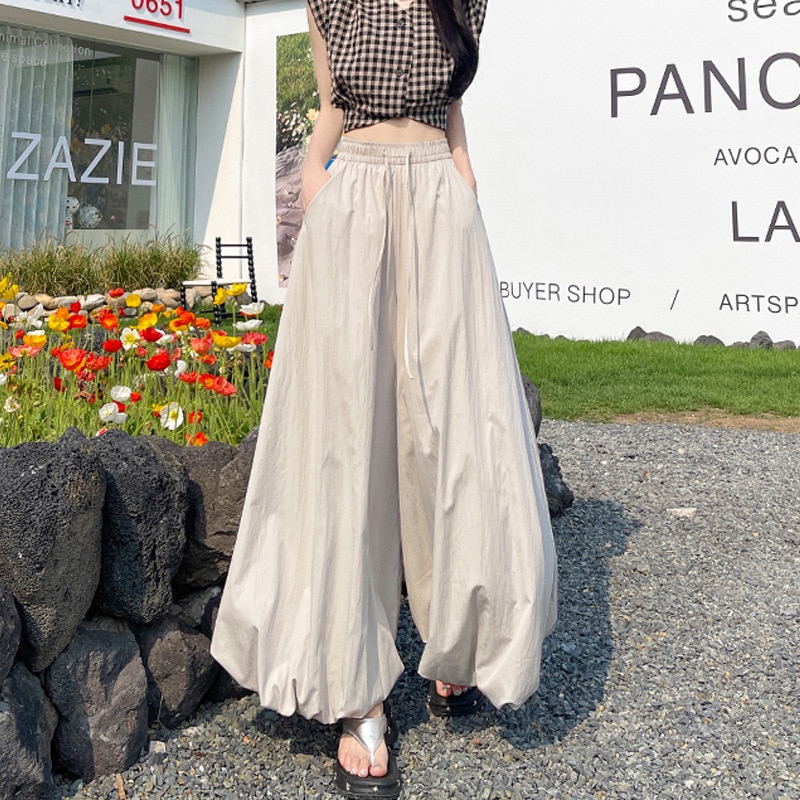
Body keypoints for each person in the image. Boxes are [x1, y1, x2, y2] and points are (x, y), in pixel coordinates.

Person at [210, 1, 558, 797]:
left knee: (461, 428)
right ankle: (354, 688)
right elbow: (331, 103)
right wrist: (314, 174)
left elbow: (452, 104)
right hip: (354, 195)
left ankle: (461, 638)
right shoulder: (330, 1)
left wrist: (464, 173)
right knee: (345, 438)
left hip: (440, 195)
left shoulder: (464, 2)